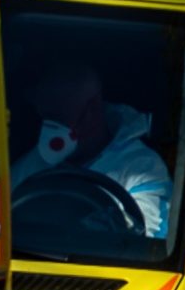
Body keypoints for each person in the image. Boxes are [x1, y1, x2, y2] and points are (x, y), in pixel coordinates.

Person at [10, 63, 172, 238]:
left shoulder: (142, 169)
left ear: (92, 110)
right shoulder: (29, 166)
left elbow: (146, 244)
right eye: (45, 118)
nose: (50, 129)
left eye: (57, 117)